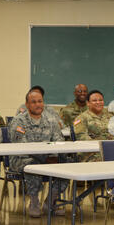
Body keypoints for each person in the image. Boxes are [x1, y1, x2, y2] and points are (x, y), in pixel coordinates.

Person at [9, 90, 70, 218]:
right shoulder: (18, 121)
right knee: (33, 165)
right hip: (22, 159)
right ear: (27, 104)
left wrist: (53, 156)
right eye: (34, 102)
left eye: (40, 101)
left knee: (68, 164)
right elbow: (23, 147)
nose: (38, 105)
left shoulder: (51, 120)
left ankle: (50, 201)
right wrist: (46, 157)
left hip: (48, 158)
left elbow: (59, 140)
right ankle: (34, 202)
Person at [73, 90, 114, 162]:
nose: (98, 102)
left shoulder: (111, 116)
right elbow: (82, 138)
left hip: (113, 150)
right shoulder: (81, 118)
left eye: (100, 100)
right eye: (94, 101)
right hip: (92, 154)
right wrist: (104, 147)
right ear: (88, 103)